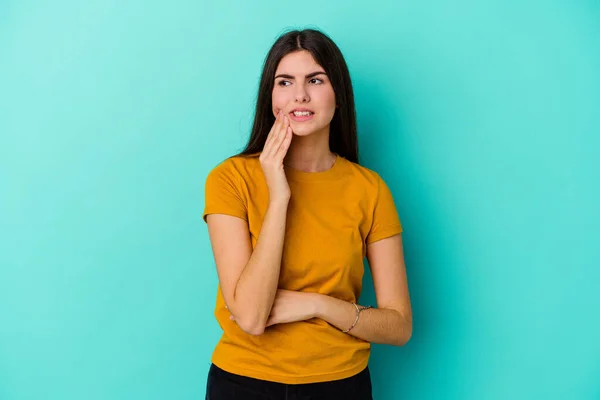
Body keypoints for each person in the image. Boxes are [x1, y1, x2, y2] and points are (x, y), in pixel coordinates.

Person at [202, 28, 412, 400]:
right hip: (243, 384)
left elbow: (398, 326)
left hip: (340, 385)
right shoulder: (230, 179)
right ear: (271, 97)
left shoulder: (370, 189)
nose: (299, 94)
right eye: (285, 82)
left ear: (339, 97)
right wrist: (279, 195)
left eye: (315, 80)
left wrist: (316, 304)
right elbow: (250, 317)